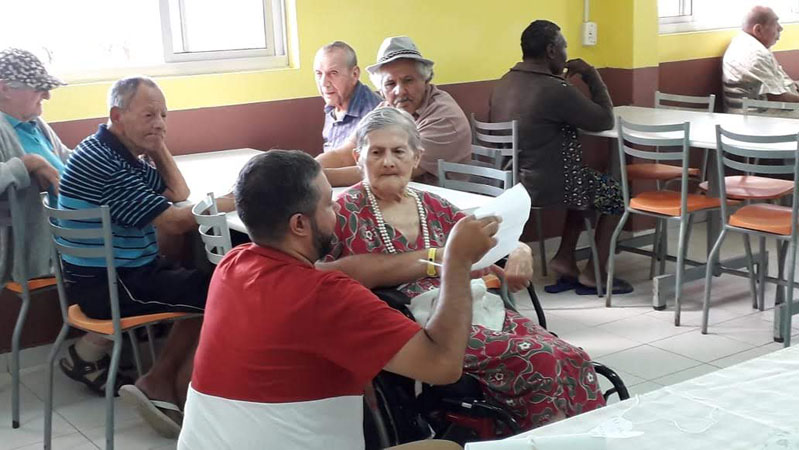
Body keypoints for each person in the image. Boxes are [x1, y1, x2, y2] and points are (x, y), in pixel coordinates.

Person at [179, 149, 490, 449]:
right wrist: (457, 263)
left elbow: (327, 275)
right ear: (299, 224)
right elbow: (443, 365)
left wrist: (410, 263)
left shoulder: (233, 264)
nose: (338, 211)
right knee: (446, 447)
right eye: (328, 204)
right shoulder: (327, 296)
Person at [319, 107, 606, 431]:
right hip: (420, 329)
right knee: (540, 359)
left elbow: (491, 235)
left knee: (573, 356)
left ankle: (583, 437)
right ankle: (544, 436)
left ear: (416, 157)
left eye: (398, 151)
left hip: (475, 307)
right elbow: (324, 273)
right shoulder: (344, 213)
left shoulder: (434, 206)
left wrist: (520, 250)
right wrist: (438, 258)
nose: (388, 162)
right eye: (376, 152)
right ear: (358, 158)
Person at [58, 76, 235, 438]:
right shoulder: (106, 163)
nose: (160, 123)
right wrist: (237, 197)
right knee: (222, 290)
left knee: (210, 282)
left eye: (164, 116)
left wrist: (156, 143)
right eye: (149, 115)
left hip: (115, 273)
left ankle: (164, 380)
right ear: (117, 116)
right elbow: (173, 223)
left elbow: (178, 191)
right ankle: (166, 385)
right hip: (112, 283)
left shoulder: (112, 149)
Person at [0, 47, 131, 395]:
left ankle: (100, 345)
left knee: (146, 239)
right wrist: (27, 165)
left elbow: (70, 164)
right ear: (4, 88)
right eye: (38, 87)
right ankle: (92, 349)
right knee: (136, 255)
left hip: (72, 235)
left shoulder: (35, 125)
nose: (47, 95)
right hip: (35, 249)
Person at [490, 20, 630, 295]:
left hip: (512, 181)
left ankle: (565, 258)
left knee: (582, 180)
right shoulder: (554, 89)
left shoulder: (504, 82)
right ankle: (595, 272)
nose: (566, 55)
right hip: (546, 185)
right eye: (564, 47)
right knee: (615, 192)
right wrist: (591, 75)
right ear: (552, 50)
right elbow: (604, 120)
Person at [317, 36, 471, 187]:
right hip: (402, 196)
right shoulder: (387, 109)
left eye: (408, 80)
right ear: (381, 90)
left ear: (425, 80)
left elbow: (394, 168)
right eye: (390, 83)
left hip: (446, 201)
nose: (400, 91)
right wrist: (309, 168)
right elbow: (345, 153)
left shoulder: (444, 117)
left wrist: (317, 178)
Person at [723, 6, 799, 115]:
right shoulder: (756, 54)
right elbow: (779, 98)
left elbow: (779, 83)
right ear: (758, 30)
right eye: (775, 23)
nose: (780, 28)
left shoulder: (747, 44)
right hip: (763, 118)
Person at [314, 41, 381, 151]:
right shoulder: (334, 102)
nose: (324, 83)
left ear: (355, 74)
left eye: (333, 73)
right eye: (319, 73)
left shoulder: (374, 115)